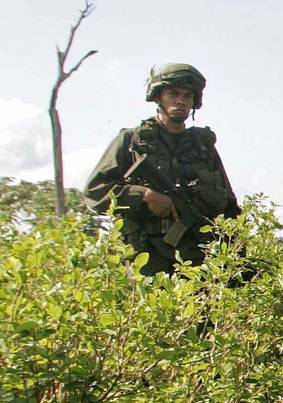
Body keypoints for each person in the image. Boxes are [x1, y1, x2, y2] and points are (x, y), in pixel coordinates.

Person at [85, 63, 240, 276]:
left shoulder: (203, 147)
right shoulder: (132, 141)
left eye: (187, 96)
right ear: (158, 97)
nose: (181, 101)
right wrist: (144, 196)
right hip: (145, 258)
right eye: (173, 94)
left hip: (197, 261)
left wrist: (238, 252)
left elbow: (230, 206)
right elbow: (95, 192)